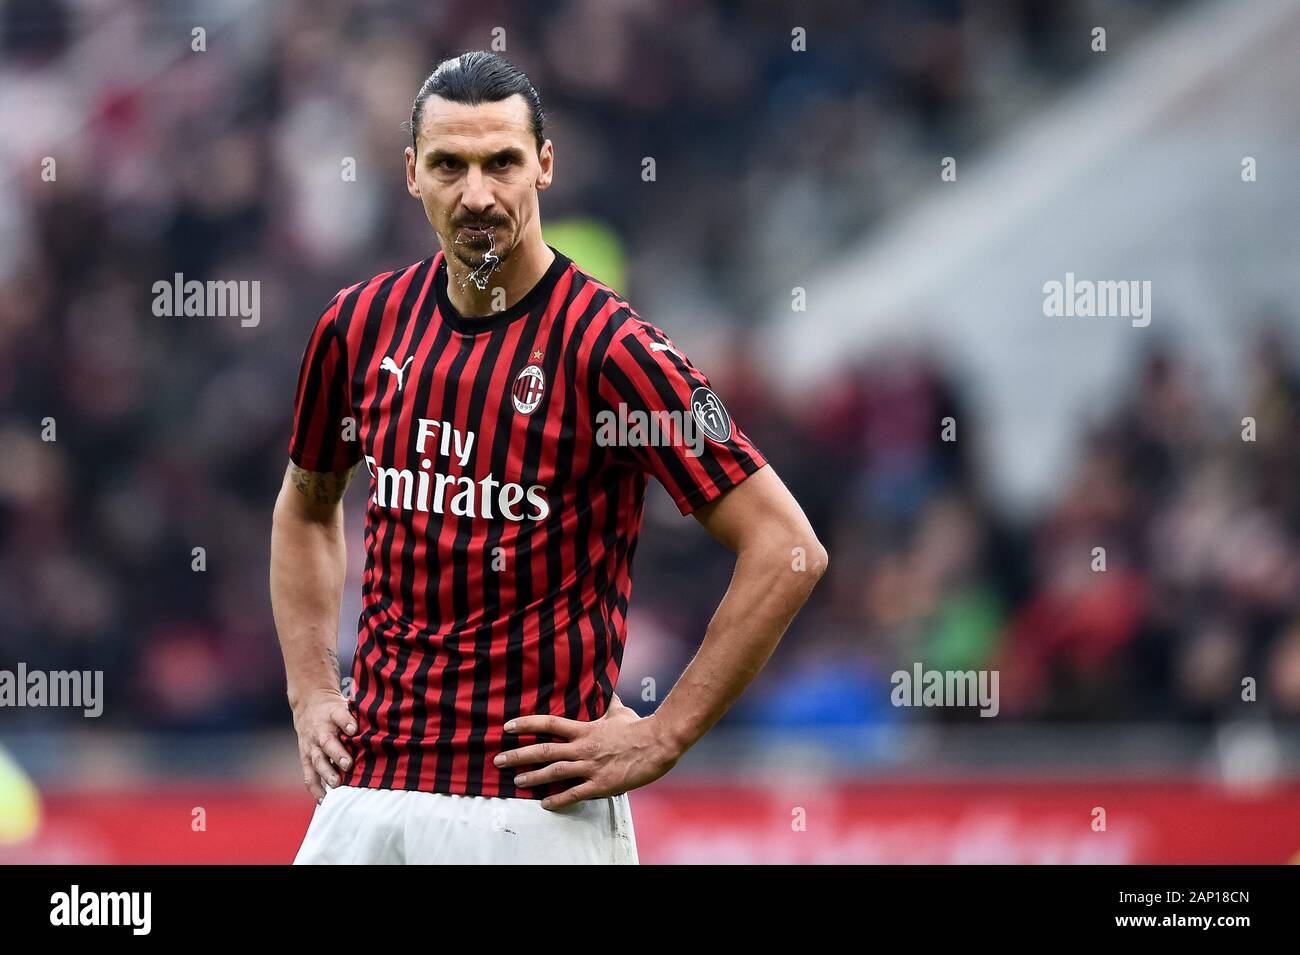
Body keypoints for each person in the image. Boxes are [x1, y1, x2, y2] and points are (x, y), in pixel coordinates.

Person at [271, 51, 826, 864]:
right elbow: (307, 503)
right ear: (410, 175)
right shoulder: (359, 327)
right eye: (449, 165)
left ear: (545, 166)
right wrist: (312, 686)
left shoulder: (613, 351)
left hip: (530, 813)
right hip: (368, 794)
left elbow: (789, 548)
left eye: (502, 162)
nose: (478, 194)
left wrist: (665, 734)